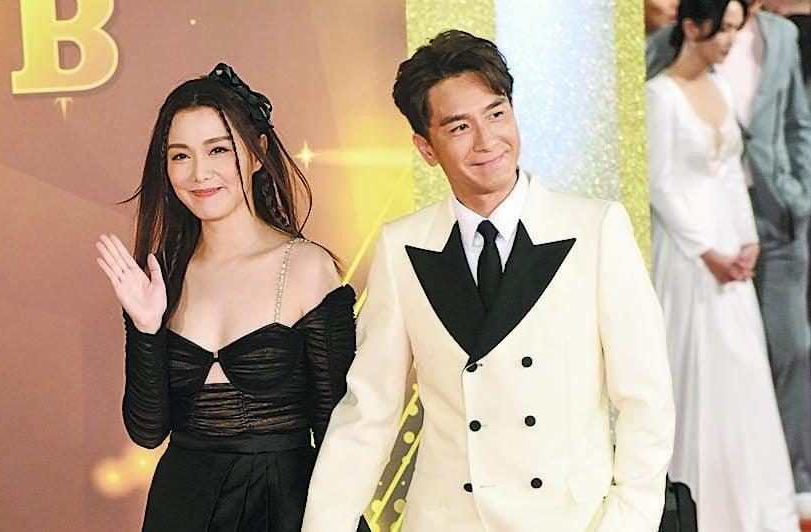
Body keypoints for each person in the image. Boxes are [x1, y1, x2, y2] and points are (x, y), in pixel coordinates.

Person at [301, 30, 675, 532]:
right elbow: (369, 412)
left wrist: (627, 521)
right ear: (426, 147)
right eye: (459, 127)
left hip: (570, 520)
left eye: (496, 114)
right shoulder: (402, 246)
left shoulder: (595, 229)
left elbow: (646, 400)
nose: (486, 141)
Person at [95, 63, 361, 532]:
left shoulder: (307, 268)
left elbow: (338, 431)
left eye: (218, 149)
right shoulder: (162, 276)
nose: (200, 173)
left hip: (286, 507)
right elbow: (148, 431)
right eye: (180, 156)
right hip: (182, 508)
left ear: (257, 154)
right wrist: (146, 329)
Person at [648, 0, 811, 512]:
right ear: (693, 27)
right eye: (724, 30)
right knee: (696, 371)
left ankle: (753, 501)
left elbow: (731, 173)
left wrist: (747, 238)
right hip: (688, 253)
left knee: (743, 369)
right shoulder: (659, 94)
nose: (730, 42)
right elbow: (659, 186)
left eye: (737, 31)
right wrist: (707, 250)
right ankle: (699, 505)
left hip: (731, 248)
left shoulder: (718, 86)